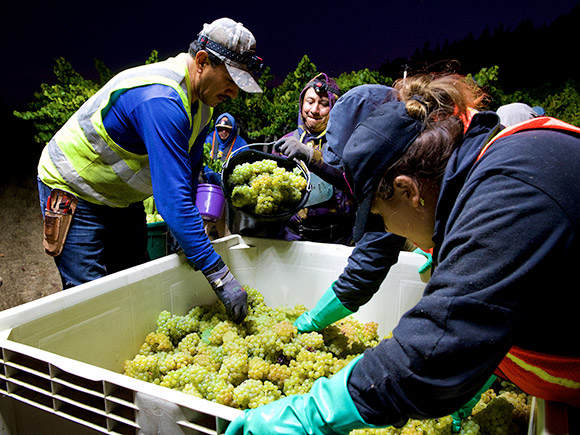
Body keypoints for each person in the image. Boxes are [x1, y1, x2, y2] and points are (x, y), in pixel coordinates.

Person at [225, 72, 580, 434]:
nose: (387, 231)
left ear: (407, 190)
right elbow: (500, 314)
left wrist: (313, 415)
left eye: (379, 215)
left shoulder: (512, 193)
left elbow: (438, 345)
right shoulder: (463, 165)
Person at [37, 17, 265, 323]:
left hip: (121, 199)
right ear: (202, 61)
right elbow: (173, 200)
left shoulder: (202, 107)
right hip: (75, 192)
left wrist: (183, 234)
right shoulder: (163, 100)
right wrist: (219, 275)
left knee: (136, 284)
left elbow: (189, 176)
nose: (234, 94)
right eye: (231, 81)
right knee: (90, 300)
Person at [274, 73, 356, 244]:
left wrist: (312, 157)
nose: (314, 110)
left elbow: (351, 182)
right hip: (294, 237)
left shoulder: (347, 143)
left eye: (324, 104)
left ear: (334, 109)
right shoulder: (288, 141)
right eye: (310, 102)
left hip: (337, 239)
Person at [202, 112, 248, 185]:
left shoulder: (241, 144)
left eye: (227, 129)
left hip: (229, 183)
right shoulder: (209, 139)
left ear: (232, 130)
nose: (223, 132)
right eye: (220, 129)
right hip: (208, 182)